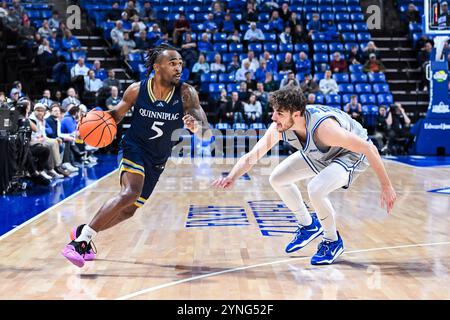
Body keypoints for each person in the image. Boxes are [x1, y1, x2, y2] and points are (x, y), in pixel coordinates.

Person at [61, 44, 211, 267]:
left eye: (180, 63)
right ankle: (80, 243)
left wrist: (196, 128)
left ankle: (85, 230)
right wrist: (87, 125)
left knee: (129, 211)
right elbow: (114, 116)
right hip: (134, 147)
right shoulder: (137, 90)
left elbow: (207, 132)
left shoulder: (186, 93)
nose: (178, 67)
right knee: (131, 192)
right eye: (172, 63)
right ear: (157, 67)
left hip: (158, 158)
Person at [213, 86, 396, 265]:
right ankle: (308, 224)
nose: (273, 117)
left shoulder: (325, 129)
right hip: (320, 152)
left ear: (297, 115)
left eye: (280, 113)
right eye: (274, 111)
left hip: (350, 154)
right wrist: (232, 176)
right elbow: (253, 156)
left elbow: (368, 148)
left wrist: (386, 186)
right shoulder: (279, 127)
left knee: (315, 189)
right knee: (277, 179)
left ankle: (332, 241)